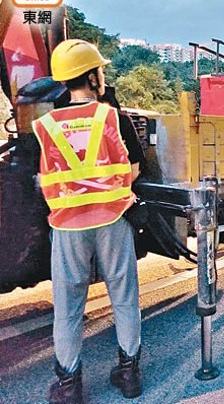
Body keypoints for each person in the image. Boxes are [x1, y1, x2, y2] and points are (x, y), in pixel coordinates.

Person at [32, 39, 145, 404]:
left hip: (67, 226)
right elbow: (135, 167)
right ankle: (129, 376)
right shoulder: (111, 116)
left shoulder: (46, 124)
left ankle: (68, 387)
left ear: (64, 81)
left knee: (68, 305)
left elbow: (42, 176)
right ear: (94, 76)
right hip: (113, 219)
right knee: (124, 297)